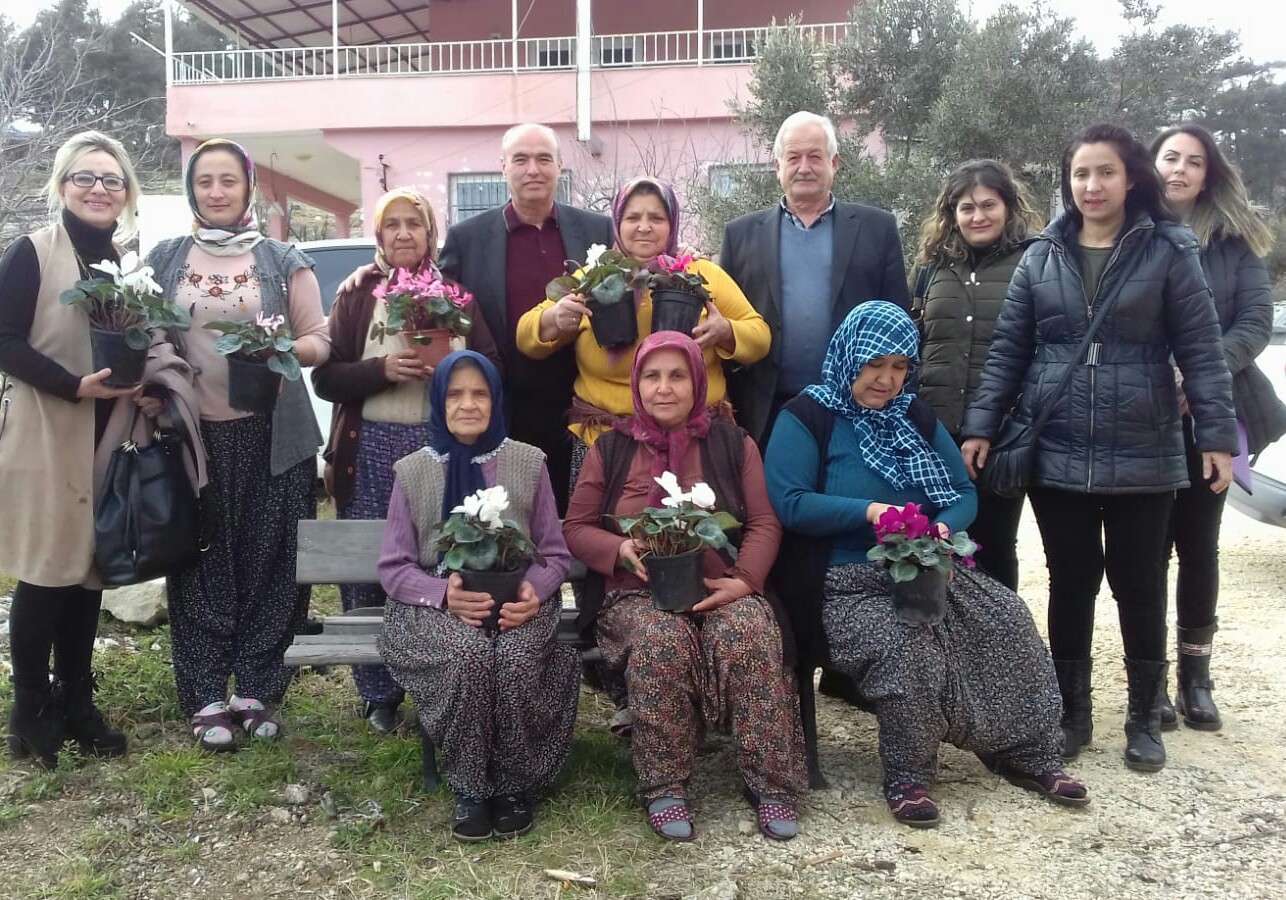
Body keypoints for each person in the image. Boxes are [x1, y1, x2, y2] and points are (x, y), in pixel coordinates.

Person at [961, 124, 1237, 774]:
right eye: (1081, 173)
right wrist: (981, 425)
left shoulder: (1168, 248)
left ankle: (1143, 716)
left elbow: (1201, 349)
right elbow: (1009, 351)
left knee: (1140, 584)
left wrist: (1217, 436)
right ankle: (1071, 712)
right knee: (1071, 580)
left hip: (1145, 448)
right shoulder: (1042, 255)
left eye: (1105, 172)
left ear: (1131, 177)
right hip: (1058, 448)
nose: (1092, 185)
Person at [766, 301, 1088, 827]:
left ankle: (1027, 752)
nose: (887, 379)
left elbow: (962, 492)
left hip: (922, 566)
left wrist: (940, 529)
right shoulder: (807, 417)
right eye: (875, 364)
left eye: (899, 367)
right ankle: (908, 775)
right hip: (839, 581)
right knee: (907, 643)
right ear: (849, 357)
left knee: (1005, 617)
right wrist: (870, 512)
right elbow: (791, 502)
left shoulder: (912, 415)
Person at [563, 331, 806, 843]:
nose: (664, 387)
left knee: (749, 632)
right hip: (635, 594)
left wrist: (744, 581)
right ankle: (665, 785)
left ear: (698, 382)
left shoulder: (732, 443)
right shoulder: (609, 448)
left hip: (722, 586)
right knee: (661, 639)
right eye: (652, 376)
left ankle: (771, 783)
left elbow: (764, 521)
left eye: (677, 376)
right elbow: (577, 527)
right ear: (636, 384)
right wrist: (619, 549)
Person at [146, 139, 331, 751]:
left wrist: (279, 347)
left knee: (271, 559)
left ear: (248, 187)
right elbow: (146, 335)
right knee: (199, 560)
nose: (217, 191)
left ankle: (256, 687)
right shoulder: (166, 259)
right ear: (191, 190)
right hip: (193, 436)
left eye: (228, 180)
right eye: (205, 181)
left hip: (274, 435)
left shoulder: (282, 259)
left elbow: (319, 340)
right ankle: (205, 693)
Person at [0, 131, 168, 767]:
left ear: (126, 193)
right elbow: (4, 339)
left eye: (111, 179)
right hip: (47, 429)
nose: (99, 189)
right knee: (47, 572)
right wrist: (72, 385)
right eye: (85, 177)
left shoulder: (125, 264)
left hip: (107, 434)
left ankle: (76, 700)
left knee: (89, 571)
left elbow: (142, 342)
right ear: (62, 185)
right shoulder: (32, 253)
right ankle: (29, 710)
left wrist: (150, 388)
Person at [312, 188, 500, 735]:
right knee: (370, 567)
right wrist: (382, 371)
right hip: (370, 448)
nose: (402, 234)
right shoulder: (357, 294)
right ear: (377, 234)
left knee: (439, 562)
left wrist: (455, 371)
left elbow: (492, 364)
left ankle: (437, 679)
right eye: (391, 224)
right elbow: (326, 378)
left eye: (413, 224)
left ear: (430, 233)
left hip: (440, 449)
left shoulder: (455, 297)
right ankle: (378, 692)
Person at [377, 350, 576, 843]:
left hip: (516, 598)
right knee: (467, 655)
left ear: (496, 400)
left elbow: (554, 554)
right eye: (455, 394)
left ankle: (513, 784)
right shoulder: (412, 471)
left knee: (513, 657)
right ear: (438, 400)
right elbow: (395, 567)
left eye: (480, 393)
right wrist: (442, 593)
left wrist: (534, 590)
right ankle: (470, 786)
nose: (468, 404)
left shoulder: (528, 462)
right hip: (434, 601)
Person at [516, 176, 770, 497]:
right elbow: (525, 335)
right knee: (599, 527)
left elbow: (760, 336)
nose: (644, 227)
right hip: (604, 441)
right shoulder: (592, 278)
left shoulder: (702, 274)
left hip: (696, 442)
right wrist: (554, 319)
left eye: (657, 218)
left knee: (695, 525)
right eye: (633, 217)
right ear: (617, 223)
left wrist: (726, 332)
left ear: (672, 224)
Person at [1151, 122, 1285, 731]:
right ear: (1151, 165)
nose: (1179, 169)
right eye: (1170, 157)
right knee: (1146, 548)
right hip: (1145, 414)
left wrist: (1198, 372)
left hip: (1212, 413)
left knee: (1198, 545)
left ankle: (1195, 677)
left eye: (1194, 161)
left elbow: (1254, 323)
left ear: (1209, 175)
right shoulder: (1131, 233)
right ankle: (1150, 678)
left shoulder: (1233, 242)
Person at [437, 124, 614, 514]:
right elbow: (437, 301)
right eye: (521, 159)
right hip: (503, 406)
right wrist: (374, 273)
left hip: (578, 406)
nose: (533, 169)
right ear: (503, 167)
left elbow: (636, 269)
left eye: (543, 159)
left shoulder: (597, 230)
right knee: (507, 517)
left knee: (579, 518)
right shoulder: (467, 239)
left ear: (559, 166)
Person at [720, 110, 911, 449]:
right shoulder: (740, 235)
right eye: (793, 157)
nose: (804, 167)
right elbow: (727, 322)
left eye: (815, 157)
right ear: (777, 167)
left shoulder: (877, 229)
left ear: (834, 163)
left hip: (855, 410)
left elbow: (898, 324)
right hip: (764, 410)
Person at [910, 160, 1044, 591]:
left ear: (1008, 207)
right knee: (934, 544)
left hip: (1004, 433)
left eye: (988, 205)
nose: (978, 216)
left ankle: (1001, 628)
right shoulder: (931, 268)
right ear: (952, 214)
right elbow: (914, 341)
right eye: (966, 208)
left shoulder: (1033, 261)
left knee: (996, 545)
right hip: (935, 432)